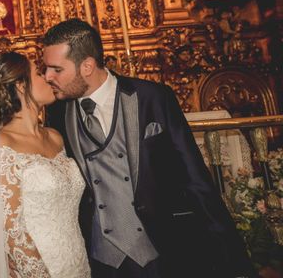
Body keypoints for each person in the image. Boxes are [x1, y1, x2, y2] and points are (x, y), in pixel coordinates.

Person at [41, 18, 255, 278]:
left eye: (56, 69)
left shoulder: (153, 97)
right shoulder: (57, 111)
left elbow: (195, 177)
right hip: (99, 257)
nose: (47, 77)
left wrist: (234, 259)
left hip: (160, 249)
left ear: (87, 66)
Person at [0, 51, 90, 277]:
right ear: (20, 85)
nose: (48, 77)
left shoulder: (55, 137)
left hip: (79, 263)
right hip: (40, 268)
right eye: (39, 73)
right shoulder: (2, 143)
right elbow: (11, 230)